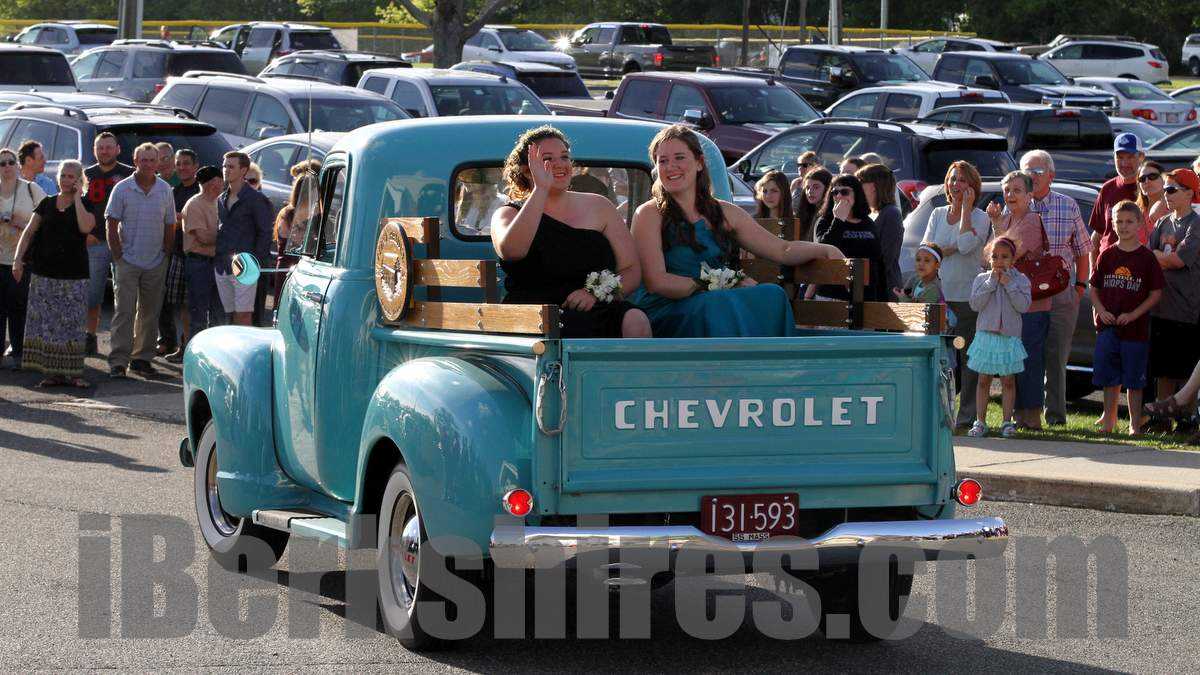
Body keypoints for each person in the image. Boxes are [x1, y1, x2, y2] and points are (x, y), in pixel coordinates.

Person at [629, 125, 841, 338]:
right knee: (717, 304)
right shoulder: (649, 214)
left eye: (679, 158)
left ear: (699, 163)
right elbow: (657, 282)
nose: (671, 167)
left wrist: (824, 249)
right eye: (663, 161)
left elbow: (782, 250)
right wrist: (718, 284)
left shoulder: (725, 212)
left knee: (772, 294)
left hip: (717, 301)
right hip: (670, 310)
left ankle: (773, 359)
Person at [491, 126, 650, 338]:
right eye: (547, 159)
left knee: (636, 320)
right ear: (527, 170)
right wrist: (541, 189)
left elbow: (631, 270)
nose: (560, 164)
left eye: (564, 157)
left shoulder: (600, 206)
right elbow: (512, 251)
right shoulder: (507, 214)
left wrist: (595, 293)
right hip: (536, 316)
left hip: (596, 307)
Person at [1020, 150, 1091, 427]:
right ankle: (1028, 415)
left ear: (1051, 175)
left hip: (1061, 291)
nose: (1032, 176)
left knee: (1057, 357)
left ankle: (1056, 417)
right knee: (1027, 355)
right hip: (1026, 294)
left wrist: (1079, 288)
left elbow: (1083, 250)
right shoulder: (1015, 203)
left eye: (1037, 171)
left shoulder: (1067, 205)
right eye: (1027, 171)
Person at [9, 161, 95, 387]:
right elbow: (29, 232)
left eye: (71, 177)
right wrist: (17, 260)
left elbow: (86, 228)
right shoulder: (46, 203)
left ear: (79, 180)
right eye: (63, 175)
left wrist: (77, 198)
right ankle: (52, 373)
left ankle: (75, 374)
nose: (66, 180)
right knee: (48, 325)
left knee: (72, 325)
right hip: (44, 273)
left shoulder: (86, 204)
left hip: (74, 275)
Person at [922, 161, 990, 430]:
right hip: (939, 297)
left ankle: (966, 416)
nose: (955, 184)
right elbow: (928, 251)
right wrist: (944, 250)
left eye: (962, 180)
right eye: (952, 179)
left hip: (968, 299)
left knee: (967, 360)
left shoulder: (980, 217)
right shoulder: (937, 213)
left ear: (972, 186)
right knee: (942, 359)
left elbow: (965, 244)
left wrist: (965, 212)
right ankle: (940, 412)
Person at [1090, 201, 1164, 435]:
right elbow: (1094, 288)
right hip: (1108, 327)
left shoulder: (1147, 258)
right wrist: (1101, 310)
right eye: (1119, 222)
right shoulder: (1107, 255)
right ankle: (1109, 423)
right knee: (1109, 378)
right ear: (1112, 224)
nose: (1124, 226)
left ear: (1140, 223)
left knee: (1134, 380)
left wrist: (1133, 314)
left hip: (1135, 330)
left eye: (1129, 221)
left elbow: (1156, 293)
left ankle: (1134, 425)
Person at [988, 170, 1052, 431]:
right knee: (1014, 360)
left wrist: (997, 229)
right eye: (1007, 190)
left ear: (1029, 195)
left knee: (1031, 359)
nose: (1010, 195)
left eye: (1017, 190)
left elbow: (1008, 255)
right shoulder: (1004, 220)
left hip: (1032, 303)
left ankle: (1032, 416)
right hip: (1009, 306)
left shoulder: (1032, 220)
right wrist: (997, 225)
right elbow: (988, 257)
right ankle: (1017, 414)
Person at [105, 143, 175, 378]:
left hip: (156, 261)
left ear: (158, 163)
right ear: (135, 161)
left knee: (149, 313)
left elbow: (170, 223)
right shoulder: (122, 188)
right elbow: (111, 223)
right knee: (123, 312)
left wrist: (166, 252)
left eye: (152, 160)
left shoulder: (165, 189)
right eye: (143, 160)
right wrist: (118, 255)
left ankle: (142, 359)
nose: (147, 164)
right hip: (127, 261)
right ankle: (118, 361)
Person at [1147, 168, 1200, 433]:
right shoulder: (1162, 223)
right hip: (1160, 306)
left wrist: (1160, 256)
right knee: (1162, 367)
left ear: (1189, 193)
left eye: (1171, 190)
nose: (1166, 195)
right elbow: (1149, 257)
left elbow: (1178, 260)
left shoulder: (1196, 225)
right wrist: (1160, 256)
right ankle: (1162, 419)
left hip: (1187, 307)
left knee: (1185, 367)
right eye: (1165, 190)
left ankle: (1186, 419)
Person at [967, 236, 1032, 438]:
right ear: (989, 258)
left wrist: (1009, 285)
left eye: (1004, 257)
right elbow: (975, 304)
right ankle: (980, 421)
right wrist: (991, 283)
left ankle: (1006, 422)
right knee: (983, 379)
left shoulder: (1021, 280)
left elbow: (1023, 306)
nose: (999, 261)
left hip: (1008, 338)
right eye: (995, 256)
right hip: (986, 336)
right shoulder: (981, 279)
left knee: (1008, 381)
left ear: (1013, 259)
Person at [83, 132, 133, 356]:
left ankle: (124, 341)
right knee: (93, 295)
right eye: (100, 147)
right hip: (96, 242)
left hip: (124, 243)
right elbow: (77, 206)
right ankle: (90, 336)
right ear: (94, 150)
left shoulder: (129, 174)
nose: (104, 151)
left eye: (108, 147)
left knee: (125, 296)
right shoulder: (87, 174)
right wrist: (84, 234)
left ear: (118, 149)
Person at [0, 147, 47, 370]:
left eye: (11, 162)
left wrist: (24, 223)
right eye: (2, 164)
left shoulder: (31, 189)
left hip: (22, 258)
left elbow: (49, 217)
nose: (7, 167)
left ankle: (19, 352)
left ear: (18, 165)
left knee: (18, 306)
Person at [214, 151, 273, 326]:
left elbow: (265, 233)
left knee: (244, 315)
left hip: (246, 264)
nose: (226, 170)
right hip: (222, 264)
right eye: (224, 166)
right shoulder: (221, 198)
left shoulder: (256, 199)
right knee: (228, 315)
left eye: (231, 166)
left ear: (244, 170)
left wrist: (254, 262)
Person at [811, 173, 888, 301]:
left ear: (856, 194)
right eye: (835, 192)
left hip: (865, 294)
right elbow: (823, 250)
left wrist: (882, 296)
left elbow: (878, 261)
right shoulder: (824, 221)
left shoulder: (867, 223)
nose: (839, 196)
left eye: (844, 192)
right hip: (832, 295)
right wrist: (838, 220)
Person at [160, 148, 200, 363]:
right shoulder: (173, 191)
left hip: (198, 254)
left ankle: (196, 349)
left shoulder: (201, 190)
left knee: (197, 305)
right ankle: (184, 346)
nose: (182, 167)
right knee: (182, 305)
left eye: (186, 163)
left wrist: (181, 219)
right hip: (177, 253)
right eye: (179, 163)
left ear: (195, 166)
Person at [181, 166, 224, 338]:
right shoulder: (194, 204)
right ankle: (194, 351)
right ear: (213, 183)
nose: (222, 184)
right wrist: (228, 235)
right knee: (198, 315)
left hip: (218, 263)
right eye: (220, 180)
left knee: (218, 315)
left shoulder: (220, 203)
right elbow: (204, 237)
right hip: (199, 264)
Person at [1089, 133, 1143, 260]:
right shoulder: (1107, 188)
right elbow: (1097, 236)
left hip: (1137, 264)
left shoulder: (1148, 186)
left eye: (1130, 157)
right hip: (1107, 265)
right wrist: (1093, 269)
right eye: (1120, 157)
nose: (1124, 163)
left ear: (1141, 157)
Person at [856, 163, 903, 301]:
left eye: (860, 183)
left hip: (884, 290)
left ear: (873, 186)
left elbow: (885, 258)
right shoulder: (870, 213)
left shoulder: (891, 213)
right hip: (868, 287)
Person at [792, 168, 831, 242]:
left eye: (816, 187)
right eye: (807, 187)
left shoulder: (830, 214)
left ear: (827, 188)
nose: (810, 191)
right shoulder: (804, 211)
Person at [1135, 160, 1168, 244]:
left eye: (1152, 176)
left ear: (1164, 179)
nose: (1147, 181)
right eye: (1142, 179)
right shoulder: (1133, 211)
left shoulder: (1175, 207)